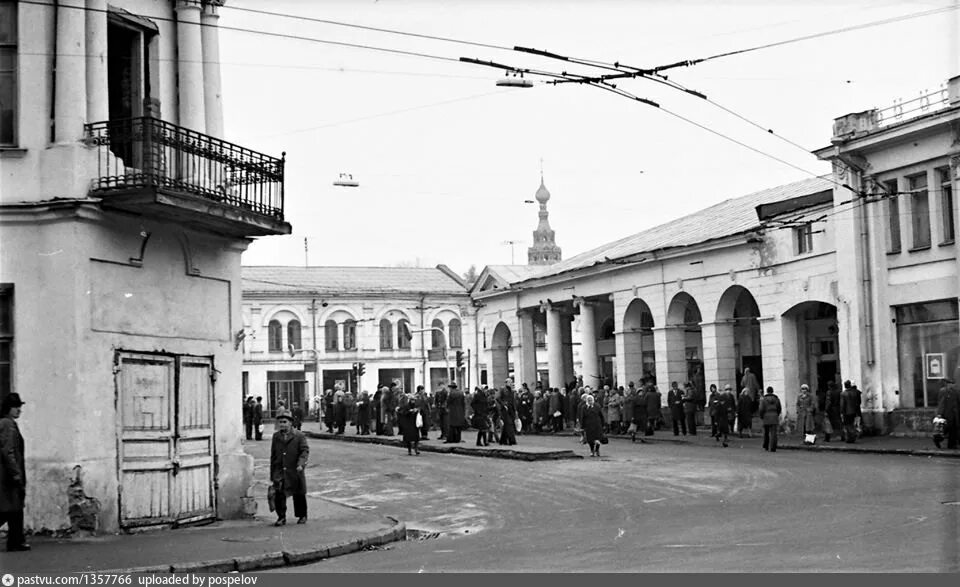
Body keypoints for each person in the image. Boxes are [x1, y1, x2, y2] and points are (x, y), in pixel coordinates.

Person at [270, 408, 309, 526]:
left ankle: (302, 515)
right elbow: (273, 455)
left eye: (284, 422)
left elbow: (304, 451)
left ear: (290, 423)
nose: (282, 424)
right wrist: (272, 473)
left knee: (298, 493)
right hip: (280, 469)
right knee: (279, 494)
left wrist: (300, 464)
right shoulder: (276, 436)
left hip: (295, 469)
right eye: (280, 422)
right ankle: (281, 517)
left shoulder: (299, 436)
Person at [0, 393, 29, 551]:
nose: (19, 410)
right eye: (16, 407)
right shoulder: (8, 424)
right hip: (8, 476)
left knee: (13, 509)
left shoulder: (7, 423)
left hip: (7, 474)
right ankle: (16, 541)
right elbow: (8, 451)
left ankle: (16, 541)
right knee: (10, 509)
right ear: (8, 409)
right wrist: (16, 473)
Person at [935, 380, 960, 449]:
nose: (953, 385)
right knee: (945, 429)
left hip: (954, 414)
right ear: (948, 384)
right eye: (951, 384)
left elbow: (957, 402)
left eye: (953, 384)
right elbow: (941, 403)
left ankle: (951, 445)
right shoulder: (943, 391)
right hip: (946, 414)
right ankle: (937, 439)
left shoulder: (956, 391)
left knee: (953, 430)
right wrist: (939, 414)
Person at [759, 386, 782, 452]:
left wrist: (761, 416)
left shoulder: (764, 399)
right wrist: (777, 414)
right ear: (772, 391)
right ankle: (773, 447)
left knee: (766, 432)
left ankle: (766, 445)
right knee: (773, 433)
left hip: (766, 416)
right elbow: (779, 408)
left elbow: (761, 409)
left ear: (767, 391)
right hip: (774, 416)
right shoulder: (776, 399)